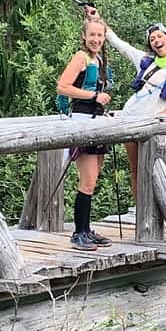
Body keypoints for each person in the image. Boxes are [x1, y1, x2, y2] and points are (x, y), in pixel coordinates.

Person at [85, 6, 166, 198]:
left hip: (153, 124)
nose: (157, 40)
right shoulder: (145, 61)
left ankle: (159, 214)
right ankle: (140, 211)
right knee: (135, 169)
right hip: (131, 118)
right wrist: (98, 19)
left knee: (156, 170)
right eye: (152, 39)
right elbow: (119, 44)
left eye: (159, 36)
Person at [55, 13, 114, 249]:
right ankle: (78, 232)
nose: (96, 39)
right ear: (84, 36)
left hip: (97, 119)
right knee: (87, 180)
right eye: (92, 35)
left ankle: (86, 229)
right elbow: (62, 86)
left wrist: (95, 15)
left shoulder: (98, 59)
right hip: (82, 120)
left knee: (93, 179)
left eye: (100, 35)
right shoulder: (81, 57)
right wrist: (93, 96)